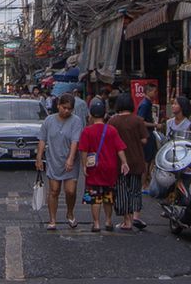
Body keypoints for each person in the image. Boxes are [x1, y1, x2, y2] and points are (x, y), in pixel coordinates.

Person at [74, 98, 127, 233]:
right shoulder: (111, 130)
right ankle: (108, 221)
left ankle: (96, 223)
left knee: (95, 197)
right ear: (104, 115)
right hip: (110, 167)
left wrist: (85, 165)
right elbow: (119, 148)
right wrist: (124, 163)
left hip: (94, 168)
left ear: (90, 115)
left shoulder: (87, 131)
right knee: (108, 196)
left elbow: (84, 150)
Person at [36, 92, 85, 231]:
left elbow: (75, 141)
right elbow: (42, 139)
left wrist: (70, 159)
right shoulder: (49, 120)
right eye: (64, 107)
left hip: (70, 161)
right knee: (54, 190)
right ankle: (52, 219)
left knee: (70, 191)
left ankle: (70, 213)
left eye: (69, 109)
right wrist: (39, 157)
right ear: (58, 106)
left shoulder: (76, 121)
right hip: (54, 160)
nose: (66, 111)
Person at [108, 96, 151, 231]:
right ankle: (134, 217)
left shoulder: (113, 121)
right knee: (135, 190)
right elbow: (144, 140)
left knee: (121, 190)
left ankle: (126, 220)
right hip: (137, 160)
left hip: (119, 162)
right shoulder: (138, 121)